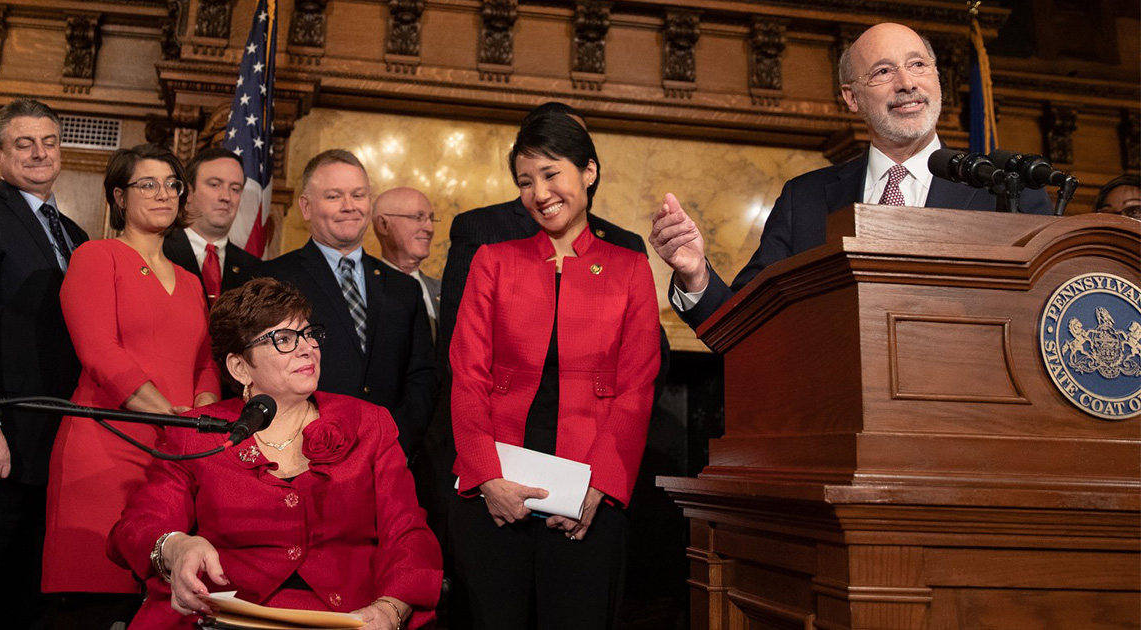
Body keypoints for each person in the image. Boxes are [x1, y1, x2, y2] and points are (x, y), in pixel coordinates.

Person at [650, 22, 1054, 331]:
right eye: (883, 72)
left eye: (918, 65)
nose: (907, 83)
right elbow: (748, 323)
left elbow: (1044, 315)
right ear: (851, 97)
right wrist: (696, 273)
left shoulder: (1005, 189)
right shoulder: (804, 200)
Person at [108, 277, 443, 630]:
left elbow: (408, 533)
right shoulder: (196, 434)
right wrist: (175, 547)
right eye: (283, 340)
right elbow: (138, 525)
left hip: (346, 618)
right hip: (225, 619)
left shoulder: (368, 423)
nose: (307, 349)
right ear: (239, 368)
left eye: (308, 333)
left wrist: (390, 609)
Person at [448, 113, 661, 629]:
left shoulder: (629, 265)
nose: (538, 193)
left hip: (591, 493)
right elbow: (467, 375)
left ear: (588, 171)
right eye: (525, 181)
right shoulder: (492, 260)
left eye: (550, 174)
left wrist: (600, 489)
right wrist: (487, 477)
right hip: (495, 491)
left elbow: (637, 387)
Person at [43, 143, 220, 628]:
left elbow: (206, 361)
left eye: (172, 184)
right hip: (106, 450)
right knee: (97, 604)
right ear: (119, 196)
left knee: (163, 604)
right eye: (148, 184)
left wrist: (200, 413)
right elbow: (100, 352)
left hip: (175, 457)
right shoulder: (97, 257)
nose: (163, 194)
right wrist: (173, 417)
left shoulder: (188, 281)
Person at [0, 98, 89, 630]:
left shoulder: (76, 237)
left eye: (49, 141)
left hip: (44, 453)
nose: (39, 152)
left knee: (15, 604)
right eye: (23, 143)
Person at [263, 150, 437, 461]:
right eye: (333, 196)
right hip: (302, 456)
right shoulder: (273, 280)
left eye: (358, 195)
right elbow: (265, 373)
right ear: (306, 206)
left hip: (388, 458)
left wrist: (394, 441)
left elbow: (422, 377)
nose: (349, 206)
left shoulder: (405, 289)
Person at [163, 147, 262, 306]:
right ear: (188, 193)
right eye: (215, 184)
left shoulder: (255, 270)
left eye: (235, 189)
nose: (226, 197)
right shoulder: (158, 252)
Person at [373, 186, 441, 339]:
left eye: (431, 218)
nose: (430, 228)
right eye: (418, 217)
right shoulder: (364, 292)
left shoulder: (444, 291)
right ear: (383, 225)